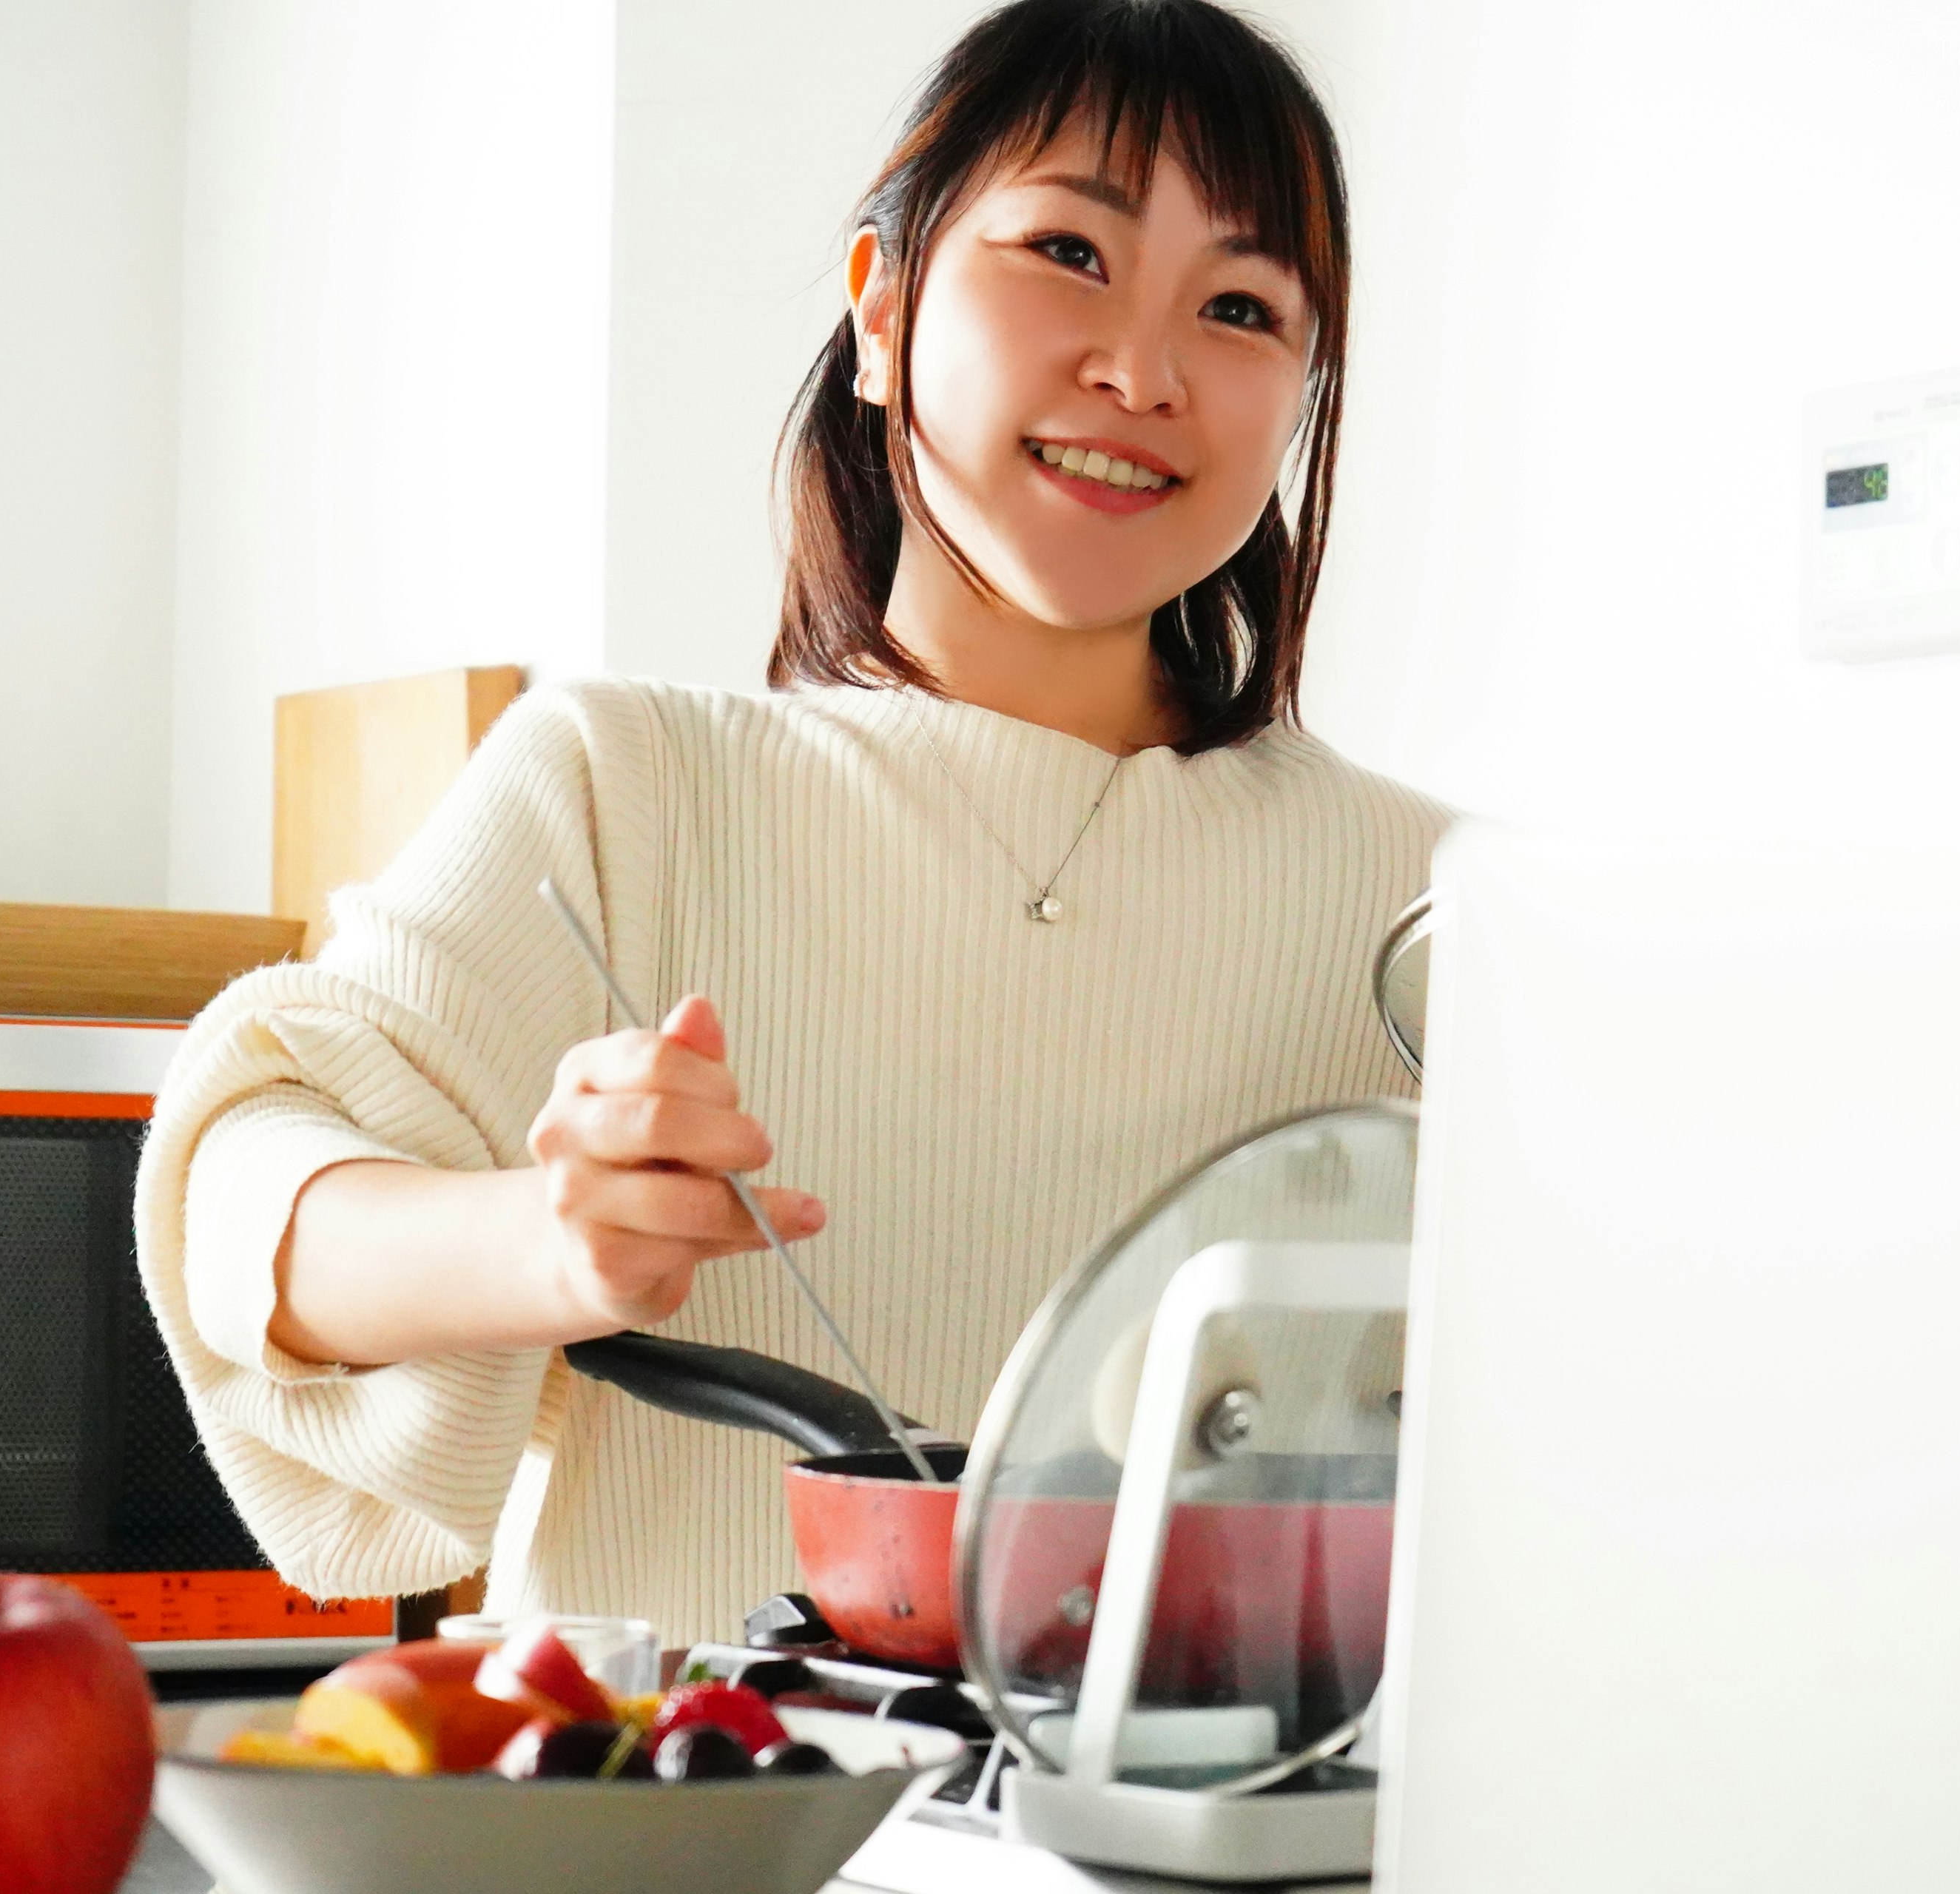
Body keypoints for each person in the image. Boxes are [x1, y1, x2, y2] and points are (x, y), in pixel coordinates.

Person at [136, 0, 1447, 1641]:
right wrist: (546, 1242)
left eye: (1241, 306)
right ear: (881, 313)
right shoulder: (631, 781)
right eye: (1070, 252)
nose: (1144, 370)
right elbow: (243, 1191)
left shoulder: (1436, 904)